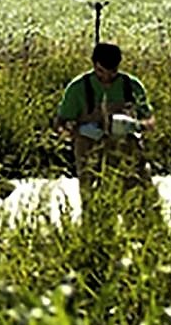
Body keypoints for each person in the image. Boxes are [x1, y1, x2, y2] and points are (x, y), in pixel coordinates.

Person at [53, 42, 155, 217]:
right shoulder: (78, 88)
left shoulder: (131, 86)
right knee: (95, 205)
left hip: (126, 153)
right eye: (101, 72)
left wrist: (135, 125)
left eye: (112, 72)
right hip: (90, 154)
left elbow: (150, 121)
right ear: (94, 65)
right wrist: (80, 130)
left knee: (138, 202)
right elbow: (60, 124)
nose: (107, 77)